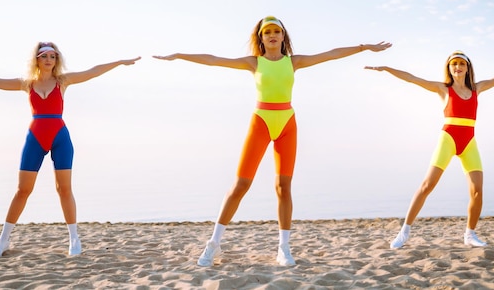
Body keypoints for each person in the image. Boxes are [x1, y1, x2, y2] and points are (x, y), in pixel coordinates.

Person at [154, 16, 391, 267]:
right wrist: (179, 55)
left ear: (283, 35)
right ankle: (213, 243)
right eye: (267, 32)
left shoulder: (294, 62)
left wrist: (364, 47)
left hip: (287, 123)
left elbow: (331, 54)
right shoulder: (253, 63)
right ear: (261, 37)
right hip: (261, 122)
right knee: (240, 186)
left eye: (277, 31)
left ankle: (283, 248)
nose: (272, 35)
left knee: (283, 187)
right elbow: (213, 60)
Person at [0, 42, 140, 257]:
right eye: (44, 56)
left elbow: (92, 72)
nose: (49, 60)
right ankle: (3, 239)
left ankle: (74, 238)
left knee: (64, 189)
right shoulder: (28, 84)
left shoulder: (63, 81)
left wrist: (120, 62)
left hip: (60, 137)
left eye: (53, 56)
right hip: (35, 137)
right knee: (23, 190)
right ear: (37, 59)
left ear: (56, 60)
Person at [365, 51, 494, 249]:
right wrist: (386, 69)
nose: (457, 67)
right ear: (449, 68)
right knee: (427, 185)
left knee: (477, 191)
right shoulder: (442, 89)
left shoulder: (477, 89)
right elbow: (412, 79)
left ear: (467, 67)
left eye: (461, 63)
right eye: (454, 64)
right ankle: (404, 232)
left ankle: (470, 235)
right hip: (448, 139)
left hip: (469, 142)